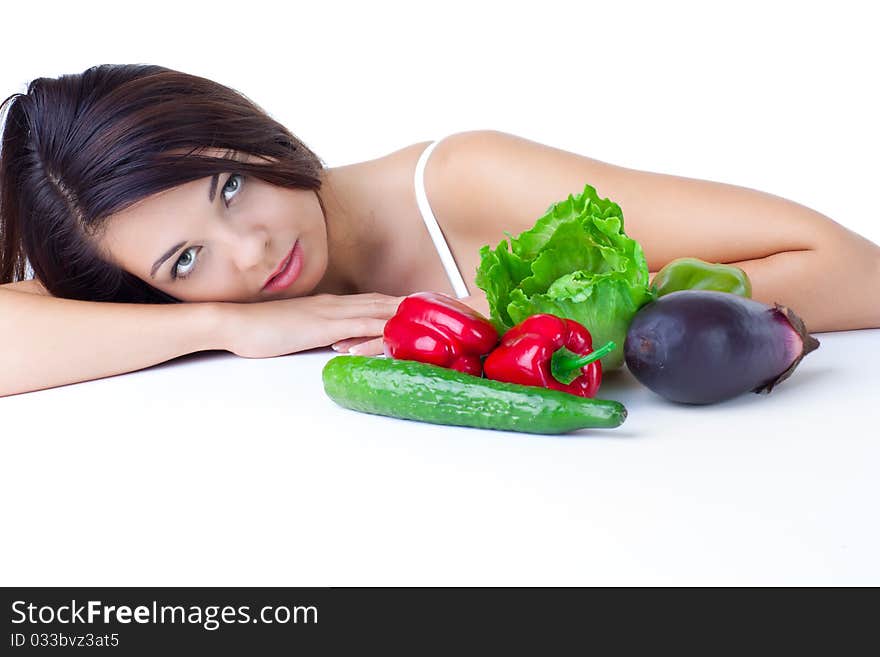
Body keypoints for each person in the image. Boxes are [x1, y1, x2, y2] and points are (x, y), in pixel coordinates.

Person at [1, 64, 878, 398]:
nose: (253, 250)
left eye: (230, 186)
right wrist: (223, 324)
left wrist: (577, 320)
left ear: (249, 130)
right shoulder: (209, 303)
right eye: (185, 259)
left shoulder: (464, 181)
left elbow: (851, 267)